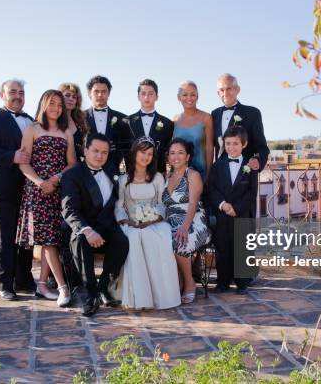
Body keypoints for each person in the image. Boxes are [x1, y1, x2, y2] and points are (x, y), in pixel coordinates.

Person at [15, 90, 76, 307]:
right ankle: (63, 288)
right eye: (52, 103)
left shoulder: (66, 131)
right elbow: (23, 162)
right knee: (49, 240)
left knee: (53, 239)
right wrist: (41, 182)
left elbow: (72, 163)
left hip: (58, 190)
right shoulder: (32, 129)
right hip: (37, 190)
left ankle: (41, 284)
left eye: (59, 105)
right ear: (43, 104)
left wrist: (56, 179)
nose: (56, 108)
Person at [0, 79, 35, 301]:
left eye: (21, 92)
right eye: (13, 91)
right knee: (7, 235)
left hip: (29, 187)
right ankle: (5, 284)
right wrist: (13, 156)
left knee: (28, 236)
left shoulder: (31, 120)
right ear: (2, 94)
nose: (18, 95)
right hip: (5, 187)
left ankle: (25, 279)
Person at [61, 133, 129, 317]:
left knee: (122, 241)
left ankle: (103, 287)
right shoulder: (72, 175)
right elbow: (69, 209)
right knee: (80, 240)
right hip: (84, 227)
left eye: (104, 152)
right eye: (96, 151)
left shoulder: (112, 170)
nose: (100, 156)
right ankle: (91, 293)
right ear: (85, 150)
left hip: (108, 226)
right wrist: (88, 230)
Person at [114, 137, 181, 309]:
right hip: (131, 223)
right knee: (135, 236)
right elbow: (119, 205)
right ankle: (139, 296)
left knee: (160, 236)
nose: (146, 157)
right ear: (135, 153)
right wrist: (126, 220)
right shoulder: (123, 179)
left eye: (150, 154)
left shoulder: (157, 177)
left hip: (154, 222)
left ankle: (162, 295)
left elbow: (161, 203)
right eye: (142, 152)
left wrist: (154, 218)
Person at [207, 126, 258, 295]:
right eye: (228, 143)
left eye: (235, 143)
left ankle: (242, 283)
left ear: (244, 144)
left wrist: (237, 208)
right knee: (222, 247)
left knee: (241, 248)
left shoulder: (250, 166)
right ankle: (223, 282)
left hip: (241, 214)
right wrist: (222, 204)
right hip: (222, 213)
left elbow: (252, 192)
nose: (231, 147)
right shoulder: (217, 165)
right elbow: (212, 188)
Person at [162, 138, 211, 304]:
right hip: (170, 220)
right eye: (172, 153)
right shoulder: (165, 177)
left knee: (178, 241)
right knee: (158, 240)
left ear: (188, 156)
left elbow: (193, 204)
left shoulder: (193, 175)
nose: (176, 157)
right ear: (168, 156)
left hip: (194, 220)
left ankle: (189, 282)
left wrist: (184, 227)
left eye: (180, 153)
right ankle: (176, 281)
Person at [212, 73, 269, 173]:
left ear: (237, 90)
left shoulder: (252, 113)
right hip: (219, 175)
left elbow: (262, 146)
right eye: (221, 90)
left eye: (229, 88)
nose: (225, 93)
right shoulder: (214, 114)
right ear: (218, 93)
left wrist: (258, 161)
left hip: (245, 176)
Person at [83, 76, 131, 175]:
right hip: (86, 171)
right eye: (96, 91)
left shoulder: (123, 119)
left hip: (114, 171)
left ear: (108, 94)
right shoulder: (80, 117)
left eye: (104, 91)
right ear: (89, 94)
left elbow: (127, 147)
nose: (100, 95)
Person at [126, 79, 174, 175]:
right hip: (133, 174)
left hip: (158, 174)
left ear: (157, 97)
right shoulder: (127, 121)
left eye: (151, 94)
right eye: (143, 93)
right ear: (138, 97)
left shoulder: (168, 123)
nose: (146, 97)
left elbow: (168, 151)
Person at [172, 81, 214, 180]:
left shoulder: (206, 118)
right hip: (179, 173)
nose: (189, 98)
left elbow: (209, 147)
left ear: (197, 96)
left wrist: (208, 173)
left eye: (193, 95)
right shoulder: (174, 120)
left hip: (201, 172)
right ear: (179, 97)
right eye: (185, 95)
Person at [59, 82, 88, 160]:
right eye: (67, 95)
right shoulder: (52, 119)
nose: (71, 99)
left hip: (77, 166)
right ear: (59, 97)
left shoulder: (79, 121)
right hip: (57, 166)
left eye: (74, 97)